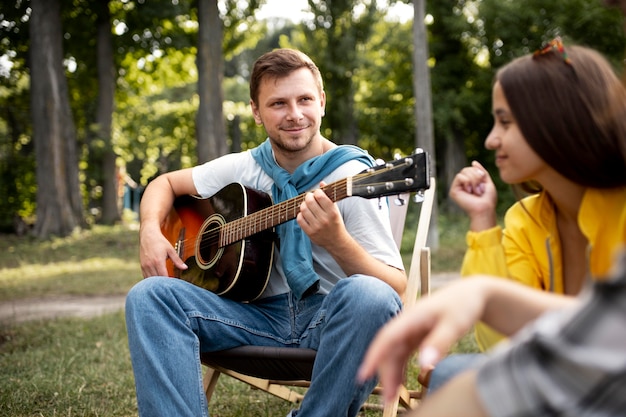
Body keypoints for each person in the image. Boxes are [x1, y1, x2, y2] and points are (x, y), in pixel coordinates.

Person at [125, 48, 407, 417]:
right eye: (278, 104)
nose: (294, 114)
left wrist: (337, 242)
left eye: (305, 99)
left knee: (370, 296)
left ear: (321, 102)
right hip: (254, 317)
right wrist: (149, 229)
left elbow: (394, 290)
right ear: (257, 112)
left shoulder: (349, 177)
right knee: (149, 296)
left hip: (331, 319)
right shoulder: (245, 167)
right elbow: (164, 183)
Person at [425, 37, 626, 392]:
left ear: (555, 121)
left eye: (505, 122)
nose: (490, 140)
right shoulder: (524, 219)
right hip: (557, 375)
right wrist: (483, 221)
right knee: (451, 372)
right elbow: (500, 344)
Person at [358, 249, 626, 417]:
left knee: (453, 372)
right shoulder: (524, 218)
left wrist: (487, 295)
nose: (490, 153)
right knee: (451, 370)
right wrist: (487, 294)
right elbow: (601, 324)